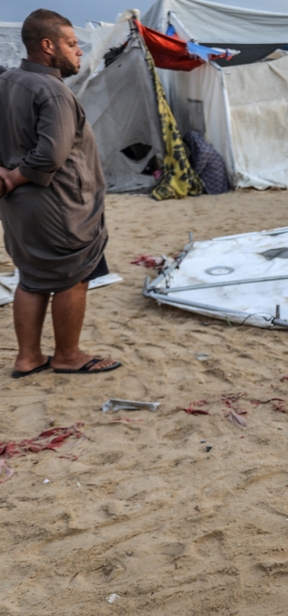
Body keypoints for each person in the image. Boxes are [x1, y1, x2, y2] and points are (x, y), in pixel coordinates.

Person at [0, 9, 120, 377]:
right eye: (71, 44)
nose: (79, 51)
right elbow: (50, 155)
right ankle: (68, 355)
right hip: (59, 205)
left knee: (32, 276)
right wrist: (14, 178)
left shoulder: (6, 82)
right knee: (73, 275)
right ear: (47, 46)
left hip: (20, 209)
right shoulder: (51, 90)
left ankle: (28, 358)